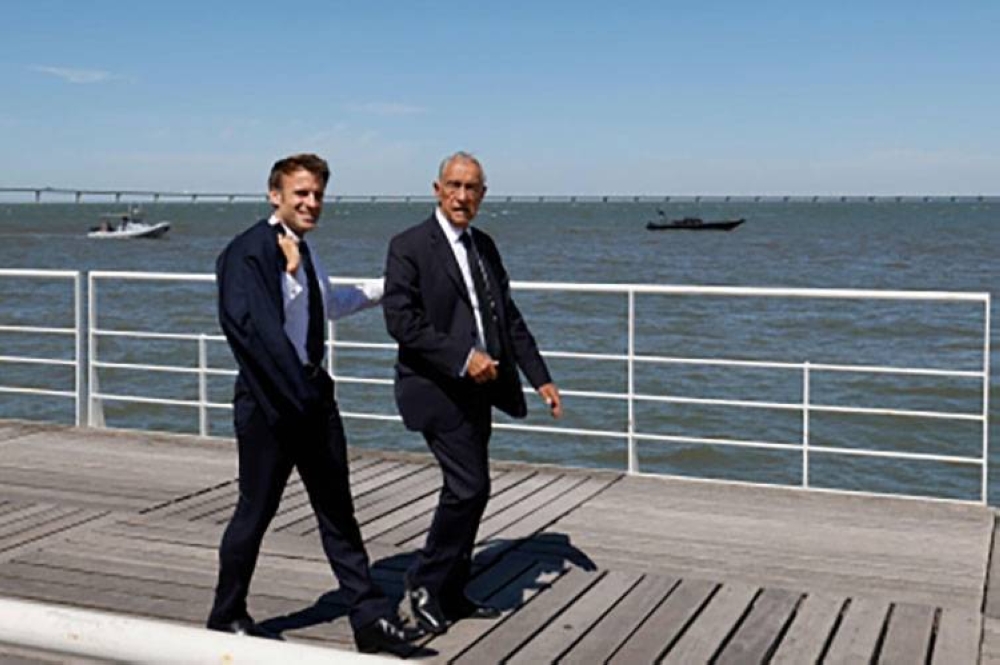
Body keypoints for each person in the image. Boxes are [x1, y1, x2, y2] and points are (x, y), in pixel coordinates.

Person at [208, 153, 418, 654]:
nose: (311, 202)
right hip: (270, 406)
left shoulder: (303, 250)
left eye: (318, 194)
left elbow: (328, 305)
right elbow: (254, 331)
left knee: (338, 513)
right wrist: (294, 274)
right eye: (301, 192)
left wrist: (392, 288)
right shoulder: (250, 252)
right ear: (273, 194)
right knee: (254, 513)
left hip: (311, 399)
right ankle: (226, 613)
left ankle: (368, 620)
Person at [382, 152, 562, 635]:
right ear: (437, 189)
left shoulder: (484, 246)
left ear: (483, 195)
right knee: (470, 486)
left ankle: (451, 590)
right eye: (455, 186)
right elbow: (400, 321)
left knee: (470, 492)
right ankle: (421, 584)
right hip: (434, 386)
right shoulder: (409, 246)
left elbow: (508, 315)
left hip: (482, 390)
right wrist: (463, 356)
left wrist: (538, 376)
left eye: (473, 189)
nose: (463, 196)